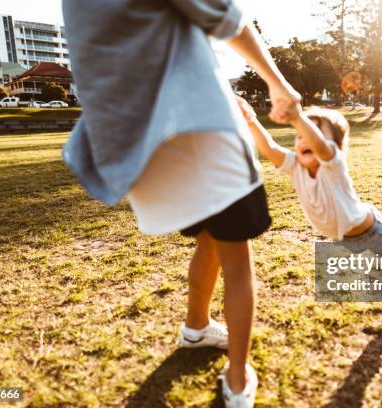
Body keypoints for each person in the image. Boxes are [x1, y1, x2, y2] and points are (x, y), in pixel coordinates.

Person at [61, 1, 300, 407]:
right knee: (238, 260)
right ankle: (238, 382)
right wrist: (279, 84)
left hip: (136, 142)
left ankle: (196, 328)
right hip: (198, 125)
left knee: (210, 238)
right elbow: (227, 18)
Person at [236, 97, 382, 250]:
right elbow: (269, 148)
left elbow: (320, 147)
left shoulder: (332, 164)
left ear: (335, 145)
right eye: (299, 136)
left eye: (313, 133)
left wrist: (297, 118)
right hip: (343, 237)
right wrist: (251, 120)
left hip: (369, 228)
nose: (304, 140)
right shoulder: (295, 166)